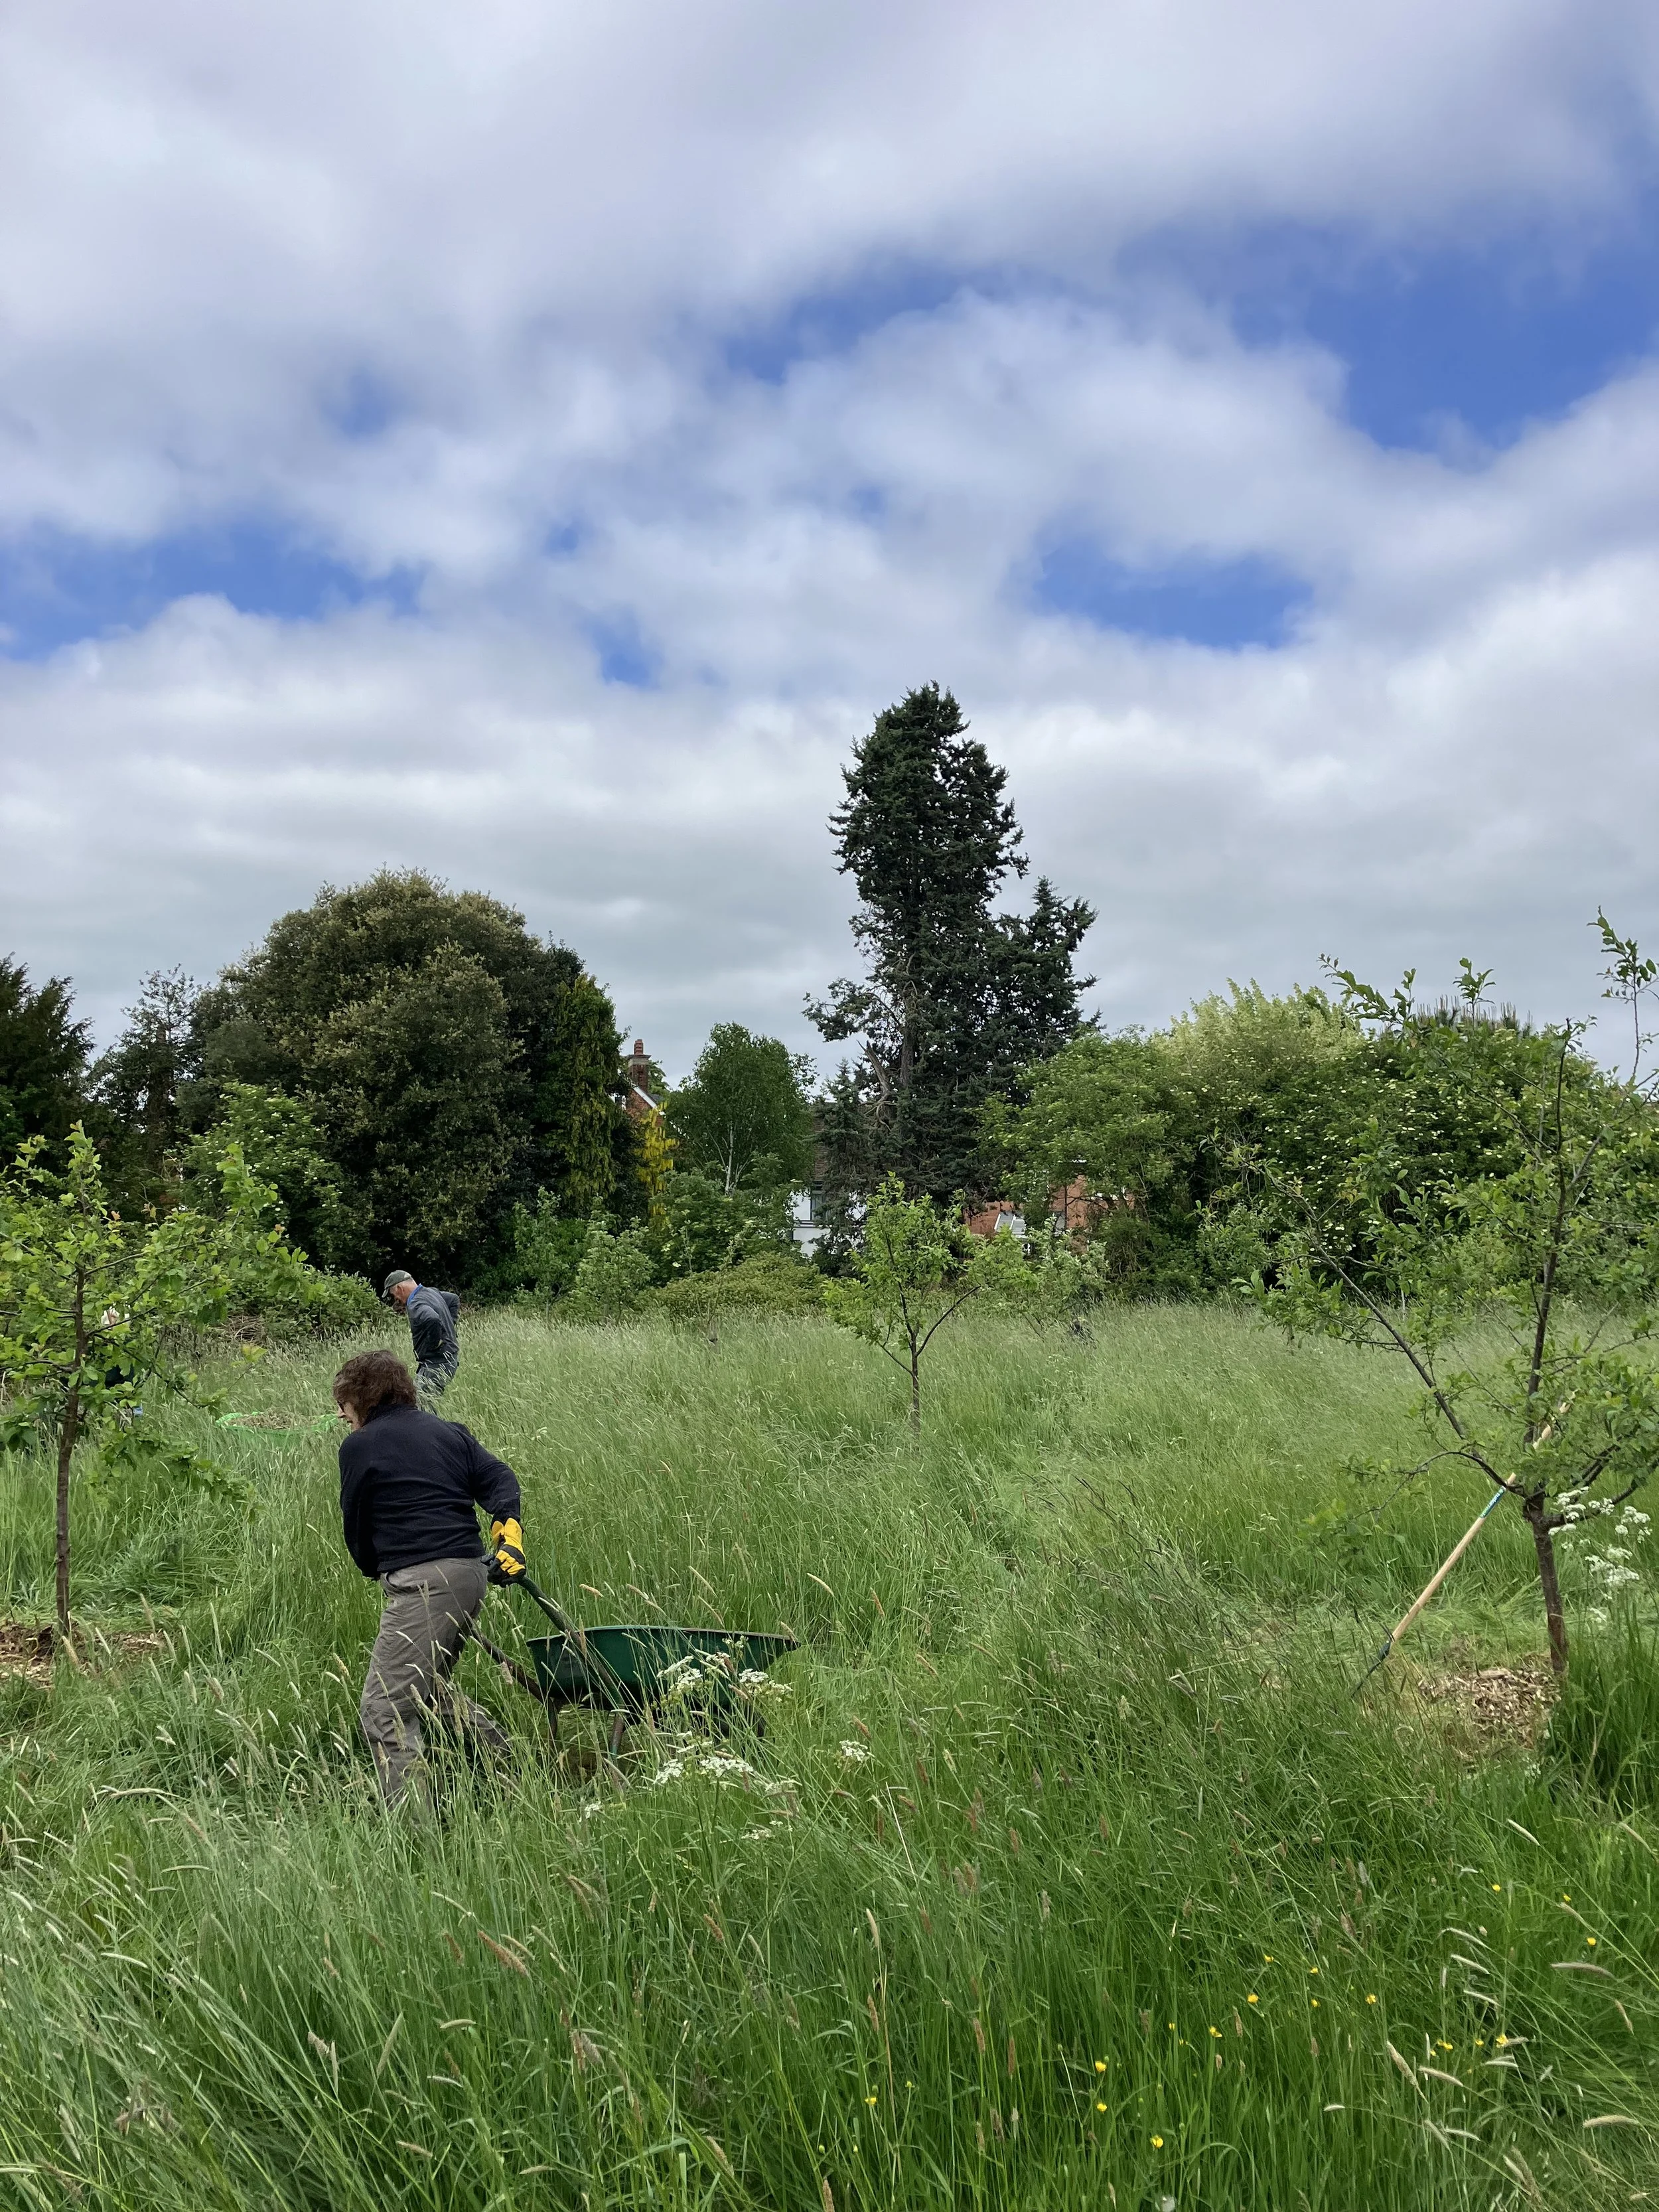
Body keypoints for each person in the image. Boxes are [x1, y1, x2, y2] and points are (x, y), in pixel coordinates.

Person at [333, 1347, 530, 1809]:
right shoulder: (448, 1432)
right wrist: (509, 1534)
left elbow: (356, 1524)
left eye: (344, 1403)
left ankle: (412, 1832)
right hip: (470, 1573)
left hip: (424, 1584)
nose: (341, 1414)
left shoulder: (359, 1446)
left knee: (385, 1709)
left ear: (364, 1397)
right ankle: (517, 1773)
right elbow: (500, 1478)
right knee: (428, 1692)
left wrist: (375, 1566)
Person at [382, 1270, 461, 1402]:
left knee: (422, 1405)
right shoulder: (432, 1292)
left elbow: (432, 1319)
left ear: (400, 1288)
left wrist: (434, 1343)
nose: (395, 1299)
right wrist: (449, 1326)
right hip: (446, 1360)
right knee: (419, 1402)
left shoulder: (415, 1304)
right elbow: (454, 1299)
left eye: (393, 1294)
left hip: (436, 1364)